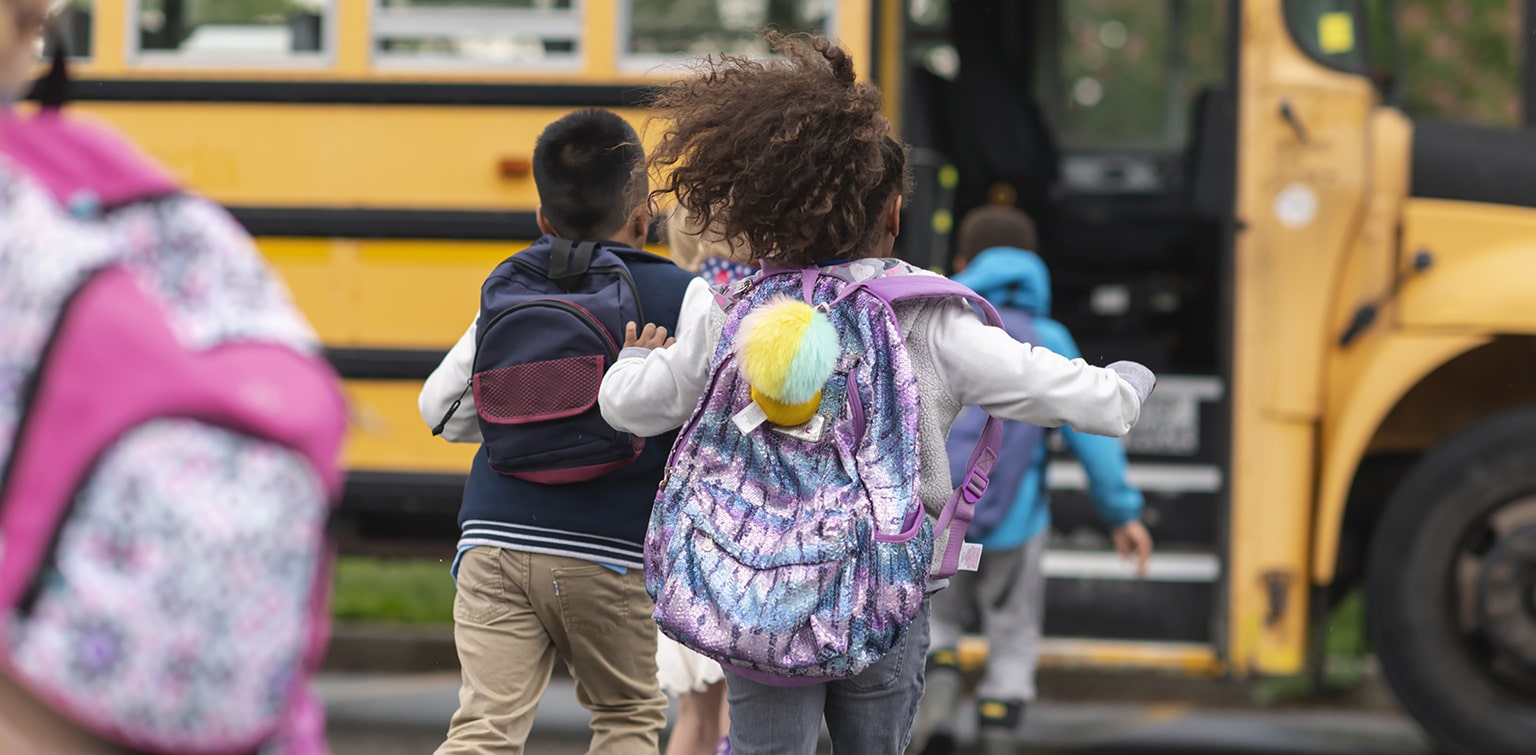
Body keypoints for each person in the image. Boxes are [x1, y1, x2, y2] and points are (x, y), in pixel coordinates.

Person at [597, 32, 1155, 755]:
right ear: (893, 213)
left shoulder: (725, 301)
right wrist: (1128, 388)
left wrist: (626, 368)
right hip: (886, 587)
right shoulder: (930, 316)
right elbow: (1062, 389)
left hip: (755, 585)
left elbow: (637, 406)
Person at [418, 108, 696, 755]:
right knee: (626, 713)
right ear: (643, 212)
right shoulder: (684, 294)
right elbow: (698, 418)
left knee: (484, 725)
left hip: (492, 536)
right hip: (610, 546)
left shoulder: (509, 284)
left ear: (543, 218)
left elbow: (441, 409)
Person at [913, 206, 1154, 755]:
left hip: (940, 516)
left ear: (963, 264)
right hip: (1019, 517)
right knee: (1014, 626)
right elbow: (1093, 436)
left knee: (937, 615)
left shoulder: (947, 328)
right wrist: (1122, 512)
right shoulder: (1048, 336)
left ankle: (939, 704)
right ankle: (1000, 726)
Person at [654, 204, 747, 755]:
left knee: (693, 709)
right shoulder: (771, 298)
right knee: (745, 711)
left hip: (687, 522)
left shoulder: (678, 298)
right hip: (752, 526)